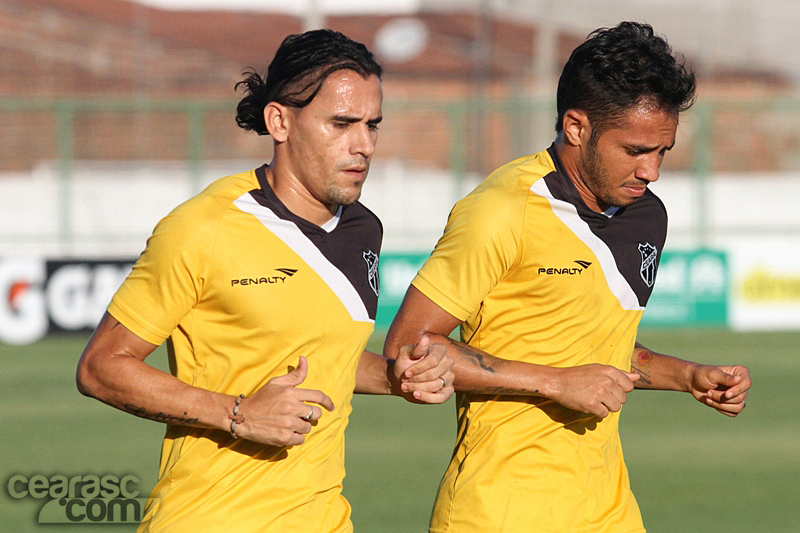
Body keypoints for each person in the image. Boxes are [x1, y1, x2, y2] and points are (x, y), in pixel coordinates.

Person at [76, 29, 454, 533]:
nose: (363, 145)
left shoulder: (364, 228)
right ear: (280, 121)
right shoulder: (203, 227)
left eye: (372, 125)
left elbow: (322, 360)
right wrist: (237, 414)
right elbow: (101, 367)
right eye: (341, 124)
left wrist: (397, 376)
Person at [385, 21, 751, 533]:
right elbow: (408, 346)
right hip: (499, 511)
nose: (652, 172)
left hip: (608, 509)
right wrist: (555, 383)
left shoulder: (647, 217)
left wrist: (686, 377)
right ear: (577, 127)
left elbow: (594, 347)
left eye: (662, 151)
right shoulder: (502, 209)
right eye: (634, 151)